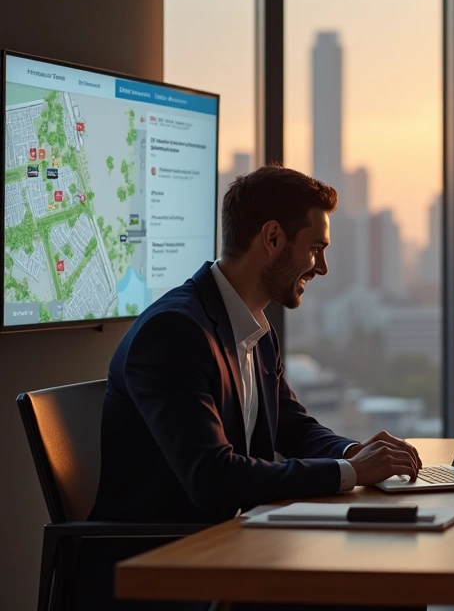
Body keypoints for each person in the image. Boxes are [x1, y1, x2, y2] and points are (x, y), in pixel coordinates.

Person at [82, 164, 422, 609]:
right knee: (386, 590)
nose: (322, 267)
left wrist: (351, 453)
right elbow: (213, 478)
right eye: (316, 248)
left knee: (394, 581)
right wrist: (353, 475)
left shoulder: (253, 329)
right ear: (273, 238)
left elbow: (295, 429)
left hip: (232, 544)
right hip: (166, 567)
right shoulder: (174, 333)